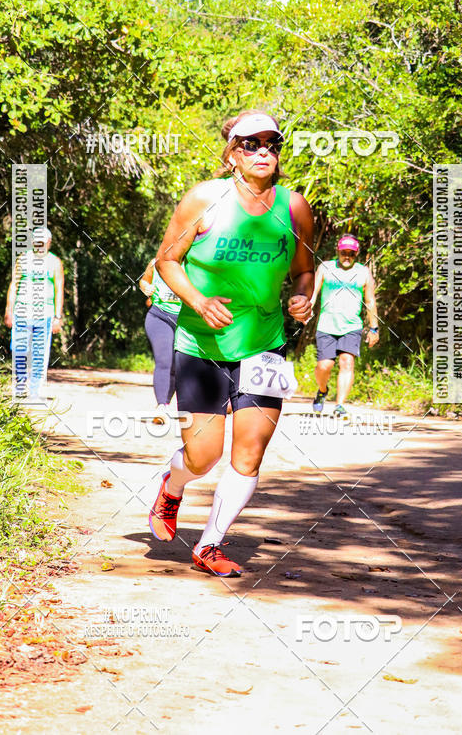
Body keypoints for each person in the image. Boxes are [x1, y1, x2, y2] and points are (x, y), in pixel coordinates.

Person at [148, 110, 314, 577]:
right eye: (250, 143)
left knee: (249, 452)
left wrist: (303, 295)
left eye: (272, 143)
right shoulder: (204, 199)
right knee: (204, 456)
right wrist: (199, 301)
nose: (263, 151)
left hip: (263, 345)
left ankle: (210, 544)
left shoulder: (294, 207)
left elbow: (304, 268)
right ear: (231, 152)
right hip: (202, 344)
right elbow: (167, 261)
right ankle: (173, 485)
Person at [310, 234, 379, 416]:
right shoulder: (325, 267)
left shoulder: (363, 272)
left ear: (356, 254)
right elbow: (314, 292)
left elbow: (370, 301)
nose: (347, 257)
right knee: (324, 366)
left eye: (351, 253)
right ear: (337, 252)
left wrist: (374, 327)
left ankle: (340, 405)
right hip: (326, 325)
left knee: (347, 362)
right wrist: (307, 308)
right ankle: (323, 390)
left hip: (352, 326)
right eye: (343, 253)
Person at [4, 227, 64, 401]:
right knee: (19, 349)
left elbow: (60, 290)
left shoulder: (55, 262)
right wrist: (9, 310)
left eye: (43, 243)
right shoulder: (23, 259)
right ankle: (20, 384)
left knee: (39, 353)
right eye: (37, 242)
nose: (40, 246)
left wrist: (57, 317)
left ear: (49, 243)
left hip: (44, 314)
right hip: (22, 312)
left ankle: (34, 390)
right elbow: (13, 285)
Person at [139, 258, 181, 416]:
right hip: (159, 316)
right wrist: (146, 288)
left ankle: (170, 402)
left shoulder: (194, 261)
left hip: (185, 320)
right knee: (164, 360)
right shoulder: (155, 263)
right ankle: (161, 406)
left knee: (179, 365)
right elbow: (143, 281)